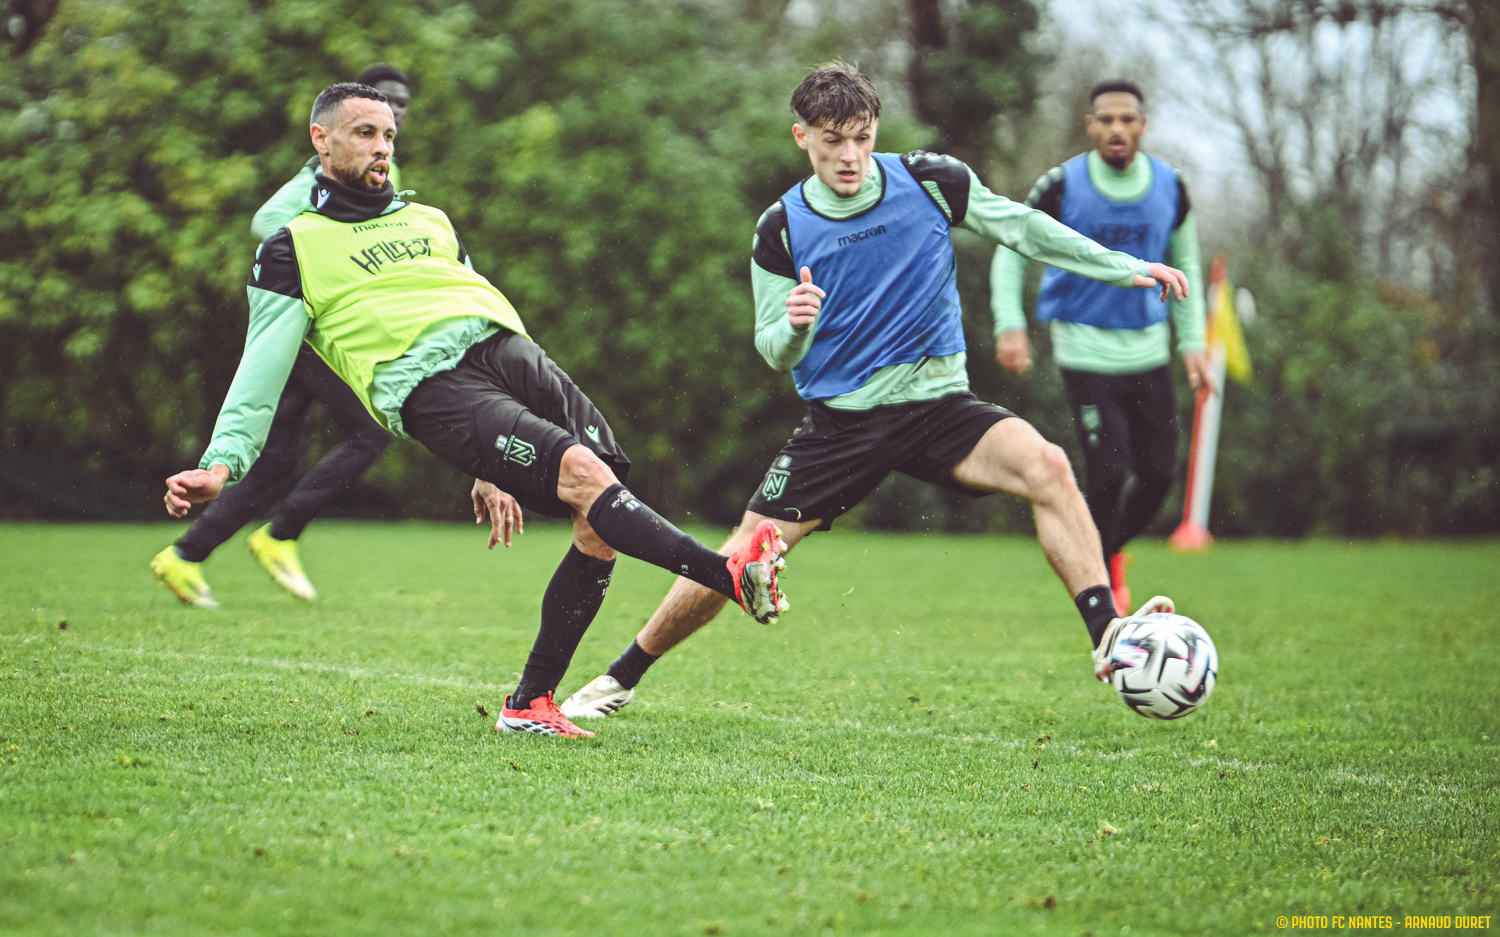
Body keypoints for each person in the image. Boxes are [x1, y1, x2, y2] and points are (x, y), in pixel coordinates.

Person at [559, 62, 1189, 720]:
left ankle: (1107, 635)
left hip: (940, 408)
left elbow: (1025, 228)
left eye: (861, 137)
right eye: (832, 140)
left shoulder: (932, 181)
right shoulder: (781, 228)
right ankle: (619, 677)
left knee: (1048, 465)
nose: (850, 156)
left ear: (876, 130)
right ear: (801, 136)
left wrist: (1127, 268)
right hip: (843, 425)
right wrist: (795, 326)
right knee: (742, 556)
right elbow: (771, 348)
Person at [160, 83, 788, 738]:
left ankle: (530, 704)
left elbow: (473, 293)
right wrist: (221, 464)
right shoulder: (291, 249)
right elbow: (260, 368)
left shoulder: (428, 218)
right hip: (429, 383)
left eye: (388, 135)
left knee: (602, 506)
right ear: (321, 139)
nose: (382, 147)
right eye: (365, 133)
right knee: (585, 477)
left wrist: (491, 467)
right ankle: (729, 575)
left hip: (509, 351)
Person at [150, 65, 414, 608]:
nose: (395, 112)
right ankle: (281, 535)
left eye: (401, 106)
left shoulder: (385, 170)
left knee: (275, 459)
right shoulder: (320, 175)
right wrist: (322, 261)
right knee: (371, 430)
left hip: (316, 333)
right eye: (384, 102)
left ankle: (184, 555)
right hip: (309, 328)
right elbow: (266, 219)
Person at [991, 80, 1214, 613]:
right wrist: (1010, 323)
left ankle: (1106, 551)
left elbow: (1186, 265)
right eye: (1106, 119)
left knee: (1159, 474)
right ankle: (1100, 581)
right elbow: (1012, 247)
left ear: (1143, 126)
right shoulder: (1061, 185)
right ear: (1090, 126)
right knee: (1108, 471)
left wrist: (1193, 344)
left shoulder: (1171, 187)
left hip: (1149, 351)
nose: (1117, 128)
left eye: (1127, 119)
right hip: (1084, 350)